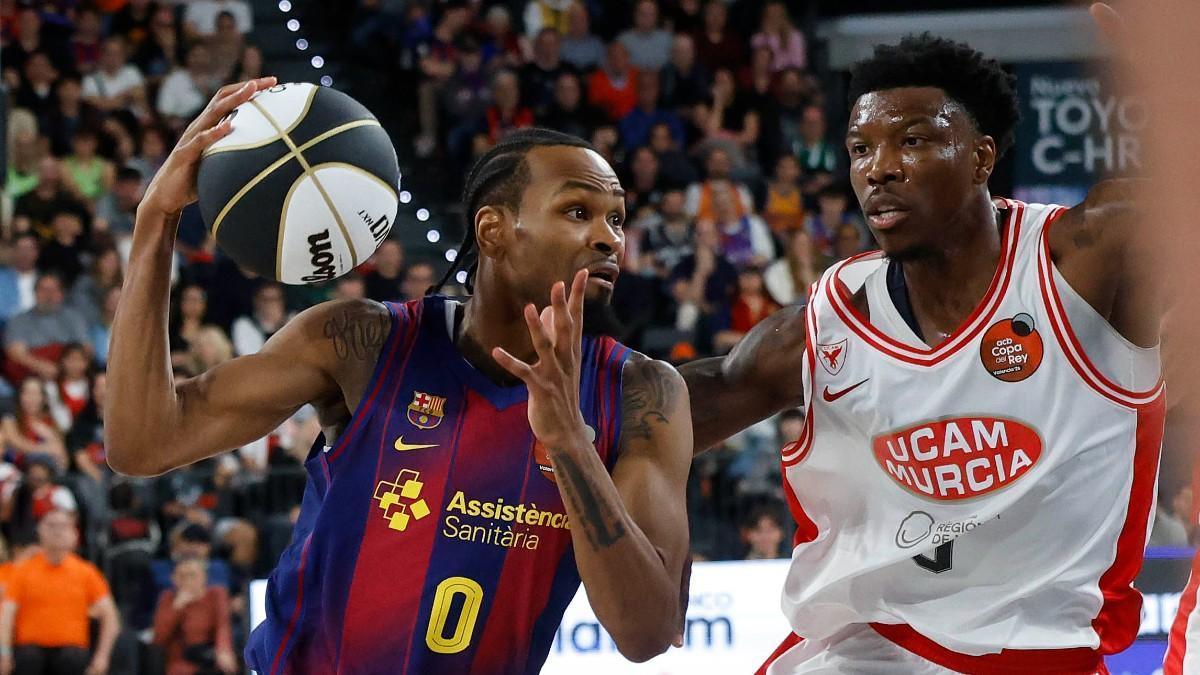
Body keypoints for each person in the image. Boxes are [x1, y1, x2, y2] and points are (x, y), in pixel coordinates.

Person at [105, 79, 691, 672]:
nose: (607, 237)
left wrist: (570, 442)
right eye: (578, 211)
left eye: (616, 218)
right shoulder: (361, 343)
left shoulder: (639, 391)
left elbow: (646, 634)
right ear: (492, 231)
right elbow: (143, 443)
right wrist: (156, 219)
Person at [679, 32, 1166, 673]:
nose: (878, 167)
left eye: (912, 140)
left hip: (1042, 649)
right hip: (868, 649)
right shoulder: (833, 319)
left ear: (981, 157)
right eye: (860, 148)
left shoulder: (1080, 265)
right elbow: (688, 402)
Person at [0, 509, 120, 675]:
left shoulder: (87, 572)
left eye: (63, 526)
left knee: (71, 659)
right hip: (29, 652)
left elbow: (110, 617)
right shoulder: (22, 571)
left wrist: (102, 657)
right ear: (39, 531)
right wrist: (4, 654)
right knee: (29, 659)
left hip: (71, 652)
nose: (57, 531)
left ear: (74, 534)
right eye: (51, 525)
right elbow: (6, 614)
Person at [152, 557, 237, 675]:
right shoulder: (168, 598)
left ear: (204, 577)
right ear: (173, 579)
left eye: (193, 575)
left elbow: (222, 625)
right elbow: (159, 639)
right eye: (182, 577)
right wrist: (177, 607)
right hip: (182, 663)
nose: (188, 581)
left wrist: (223, 650)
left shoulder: (217, 594)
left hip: (212, 657)